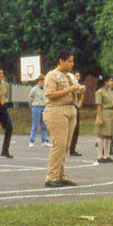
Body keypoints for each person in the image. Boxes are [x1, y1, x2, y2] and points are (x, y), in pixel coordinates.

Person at [44, 50, 82, 187]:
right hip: (57, 110)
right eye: (69, 61)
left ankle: (61, 175)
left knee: (66, 146)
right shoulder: (52, 75)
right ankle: (51, 177)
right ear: (61, 61)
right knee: (59, 144)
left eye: (72, 61)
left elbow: (76, 95)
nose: (72, 64)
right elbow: (50, 94)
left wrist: (80, 91)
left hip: (71, 109)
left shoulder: (71, 76)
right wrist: (69, 90)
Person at [94, 75, 113, 163]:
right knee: (101, 134)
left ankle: (106, 155)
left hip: (111, 113)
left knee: (108, 135)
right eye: (110, 81)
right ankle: (100, 156)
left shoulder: (110, 91)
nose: (112, 82)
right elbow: (99, 105)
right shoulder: (100, 92)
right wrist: (99, 118)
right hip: (104, 112)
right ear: (105, 82)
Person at [28, 75, 50, 148]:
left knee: (44, 125)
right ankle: (31, 141)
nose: (42, 82)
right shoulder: (34, 89)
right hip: (36, 107)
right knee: (35, 124)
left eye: (43, 80)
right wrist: (32, 107)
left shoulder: (46, 89)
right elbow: (30, 98)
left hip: (44, 107)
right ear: (38, 81)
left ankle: (44, 140)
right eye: (41, 80)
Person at [69, 71, 85, 157]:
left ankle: (72, 149)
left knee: (76, 128)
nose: (78, 77)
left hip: (75, 106)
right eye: (76, 76)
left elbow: (80, 97)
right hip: (69, 106)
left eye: (79, 76)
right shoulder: (70, 84)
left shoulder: (78, 85)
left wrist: (81, 91)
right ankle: (67, 148)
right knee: (69, 128)